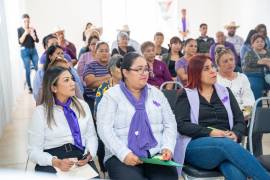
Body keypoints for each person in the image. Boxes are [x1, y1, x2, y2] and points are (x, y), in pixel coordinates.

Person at [174, 54, 270, 179]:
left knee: (234, 170)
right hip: (196, 146)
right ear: (196, 72)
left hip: (226, 146)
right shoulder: (185, 94)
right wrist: (211, 132)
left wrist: (235, 133)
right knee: (224, 144)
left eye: (212, 67)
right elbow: (182, 125)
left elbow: (240, 120)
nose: (213, 71)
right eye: (206, 69)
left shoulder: (225, 92)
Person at [97, 52, 178, 180]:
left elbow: (170, 123)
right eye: (139, 69)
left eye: (146, 69)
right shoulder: (112, 96)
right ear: (125, 72)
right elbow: (104, 129)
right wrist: (124, 154)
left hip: (155, 153)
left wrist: (167, 147)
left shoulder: (156, 93)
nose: (144, 73)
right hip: (121, 155)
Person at [28, 66, 98, 174]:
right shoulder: (40, 112)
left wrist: (89, 154)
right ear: (54, 88)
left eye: (72, 79)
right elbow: (33, 151)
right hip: (51, 157)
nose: (73, 83)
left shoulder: (83, 106)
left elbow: (91, 135)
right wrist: (55, 162)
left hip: (79, 154)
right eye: (66, 80)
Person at [93, 54, 122, 175]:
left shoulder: (131, 86)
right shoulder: (104, 87)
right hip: (108, 125)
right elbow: (97, 113)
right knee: (102, 139)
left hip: (126, 126)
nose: (123, 70)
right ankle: (104, 170)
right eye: (119, 67)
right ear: (111, 70)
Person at [215, 46, 255, 117]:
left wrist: (243, 115)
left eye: (231, 59)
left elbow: (249, 100)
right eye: (225, 61)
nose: (230, 63)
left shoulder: (242, 77)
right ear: (218, 64)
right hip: (222, 117)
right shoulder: (214, 79)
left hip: (242, 117)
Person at [83, 42, 111, 115]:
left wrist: (97, 80)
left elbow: (117, 81)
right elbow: (90, 83)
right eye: (101, 51)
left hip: (111, 98)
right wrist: (107, 77)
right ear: (96, 53)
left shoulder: (112, 65)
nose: (104, 53)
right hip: (93, 98)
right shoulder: (90, 65)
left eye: (106, 51)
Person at [17, 13, 39, 93]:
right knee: (28, 70)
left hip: (33, 50)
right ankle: (30, 87)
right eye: (25, 21)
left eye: (28, 21)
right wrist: (25, 33)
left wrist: (33, 35)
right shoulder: (19, 29)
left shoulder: (32, 29)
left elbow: (37, 40)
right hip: (24, 51)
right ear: (22, 21)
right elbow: (20, 41)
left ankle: (38, 85)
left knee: (37, 67)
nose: (27, 23)